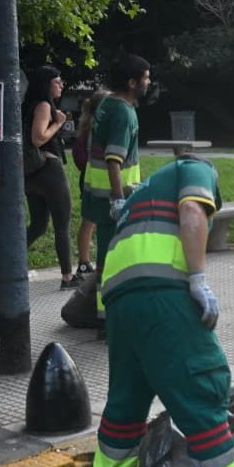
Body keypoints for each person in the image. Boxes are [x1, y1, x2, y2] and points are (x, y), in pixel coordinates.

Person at [93, 145, 234, 467]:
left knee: (127, 400)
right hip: (162, 293)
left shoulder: (144, 192)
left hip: (118, 301)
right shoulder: (195, 169)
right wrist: (197, 279)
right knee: (202, 387)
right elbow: (193, 212)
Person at [83, 54, 151, 325]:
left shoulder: (107, 103)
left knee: (106, 258)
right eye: (145, 78)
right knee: (115, 260)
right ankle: (108, 318)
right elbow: (114, 160)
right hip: (115, 200)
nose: (149, 82)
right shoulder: (123, 113)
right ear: (132, 82)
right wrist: (119, 199)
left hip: (98, 197)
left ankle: (105, 315)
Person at [21, 65, 80, 290]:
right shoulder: (44, 105)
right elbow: (38, 138)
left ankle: (7, 266)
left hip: (31, 173)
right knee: (62, 224)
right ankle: (67, 277)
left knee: (38, 225)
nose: (61, 85)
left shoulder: (27, 105)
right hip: (49, 169)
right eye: (57, 82)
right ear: (46, 85)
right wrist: (58, 123)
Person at [71, 90, 110, 277]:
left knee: (89, 220)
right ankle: (86, 261)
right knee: (93, 221)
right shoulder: (100, 127)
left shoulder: (87, 125)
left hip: (88, 176)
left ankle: (84, 261)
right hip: (98, 177)